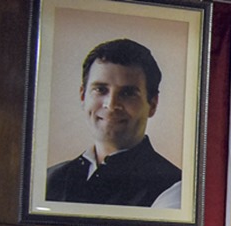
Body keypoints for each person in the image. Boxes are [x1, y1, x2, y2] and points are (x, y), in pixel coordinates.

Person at [46, 39, 181, 208]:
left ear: (152, 104)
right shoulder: (48, 179)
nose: (110, 105)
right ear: (83, 96)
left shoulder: (174, 187)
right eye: (101, 89)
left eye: (128, 93)